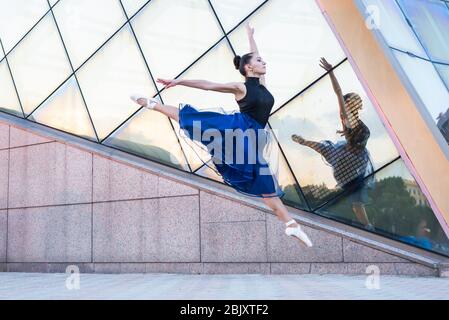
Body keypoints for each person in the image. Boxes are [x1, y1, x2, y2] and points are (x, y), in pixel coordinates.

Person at [130, 24, 312, 247]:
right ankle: (153, 105)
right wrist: (180, 81)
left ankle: (291, 225)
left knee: (266, 185)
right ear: (248, 68)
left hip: (254, 139)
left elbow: (254, 55)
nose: (264, 63)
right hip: (239, 130)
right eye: (259, 61)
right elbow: (208, 85)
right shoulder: (241, 87)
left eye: (263, 60)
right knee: (195, 120)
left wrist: (250, 36)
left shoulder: (263, 85)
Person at [292, 57, 374, 230]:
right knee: (325, 149)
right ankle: (367, 226)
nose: (358, 101)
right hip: (350, 158)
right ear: (349, 103)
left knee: (326, 149)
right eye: (354, 99)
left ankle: (366, 224)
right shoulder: (347, 118)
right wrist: (331, 73)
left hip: (353, 159)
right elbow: (338, 93)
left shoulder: (354, 120)